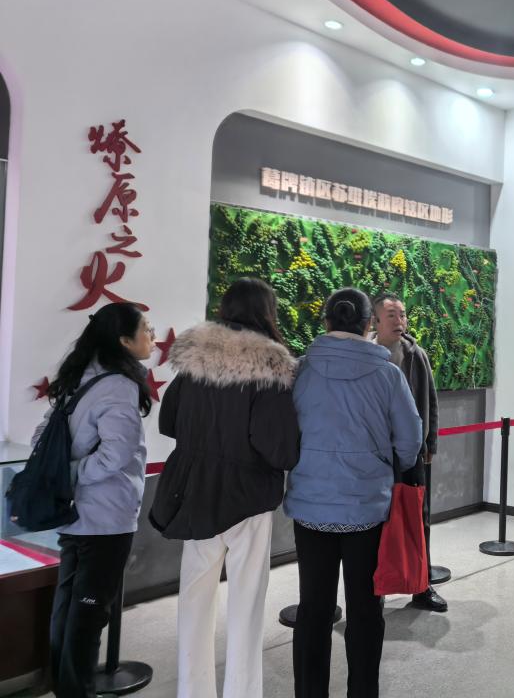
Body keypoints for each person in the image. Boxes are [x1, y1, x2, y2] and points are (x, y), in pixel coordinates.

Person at [150, 278, 301, 698]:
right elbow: (279, 449)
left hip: (194, 492)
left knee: (194, 599)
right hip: (247, 498)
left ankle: (192, 690)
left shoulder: (195, 360)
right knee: (246, 604)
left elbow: (168, 422)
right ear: (267, 312)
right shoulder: (271, 366)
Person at [286, 288, 423, 698]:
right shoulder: (388, 374)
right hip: (368, 508)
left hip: (310, 507)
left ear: (326, 321)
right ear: (368, 324)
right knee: (365, 609)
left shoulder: (301, 370)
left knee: (313, 609)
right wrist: (389, 464)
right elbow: (410, 440)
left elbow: (285, 432)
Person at [34, 302, 154, 698]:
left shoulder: (79, 377)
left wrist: (64, 478)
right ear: (124, 341)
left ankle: (65, 687)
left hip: (73, 514)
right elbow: (116, 456)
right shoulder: (118, 386)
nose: (152, 337)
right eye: (146, 329)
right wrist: (71, 476)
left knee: (68, 608)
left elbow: (41, 439)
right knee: (88, 613)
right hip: (105, 516)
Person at [371, 291, 446, 613]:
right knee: (376, 522)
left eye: (402, 314)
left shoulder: (416, 355)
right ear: (375, 320)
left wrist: (430, 444)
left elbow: (431, 400)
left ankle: (421, 586)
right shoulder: (368, 355)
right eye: (392, 315)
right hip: (375, 454)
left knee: (418, 518)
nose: (399, 321)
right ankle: (375, 590)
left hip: (413, 452)